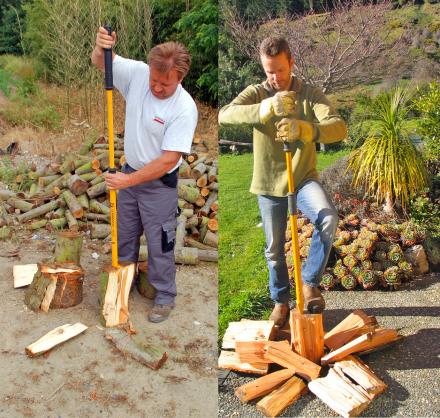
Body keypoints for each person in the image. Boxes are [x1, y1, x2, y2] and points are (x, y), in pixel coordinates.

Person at [219, 36, 347, 327]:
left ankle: (310, 283)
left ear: (291, 62)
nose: (275, 77)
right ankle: (280, 302)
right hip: (268, 184)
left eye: (279, 69)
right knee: (274, 250)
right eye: (268, 71)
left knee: (327, 218)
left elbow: (339, 127)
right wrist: (264, 108)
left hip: (302, 178)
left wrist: (306, 129)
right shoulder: (257, 92)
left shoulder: (310, 94)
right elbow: (224, 115)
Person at [92, 27, 198, 323]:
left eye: (165, 83)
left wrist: (127, 182)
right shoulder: (139, 74)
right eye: (155, 79)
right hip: (129, 174)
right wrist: (102, 47)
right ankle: (123, 284)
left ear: (180, 78)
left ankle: (165, 296)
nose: (157, 87)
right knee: (123, 237)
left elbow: (167, 161)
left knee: (159, 243)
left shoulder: (184, 108)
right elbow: (101, 62)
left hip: (158, 186)